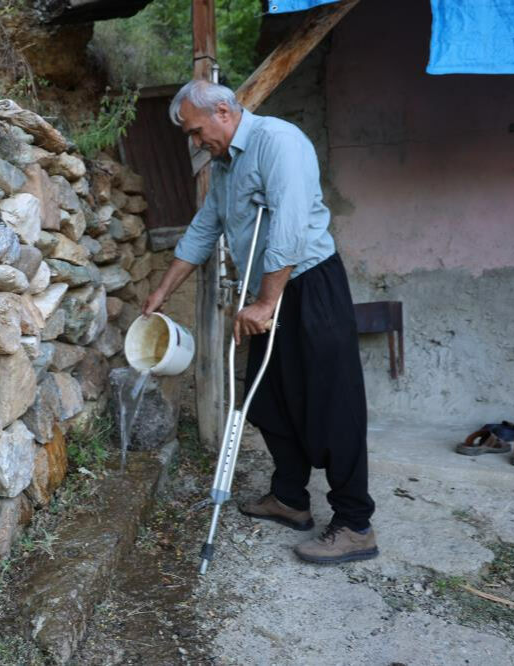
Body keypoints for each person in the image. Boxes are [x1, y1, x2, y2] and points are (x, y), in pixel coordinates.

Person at [142, 80, 377, 564]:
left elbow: (289, 226)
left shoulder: (278, 142)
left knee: (333, 406)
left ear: (223, 111)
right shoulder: (225, 165)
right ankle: (290, 498)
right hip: (269, 292)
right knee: (268, 401)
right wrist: (162, 291)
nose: (195, 141)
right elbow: (205, 228)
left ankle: (355, 524)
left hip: (310, 286)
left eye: (196, 130)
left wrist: (266, 303)